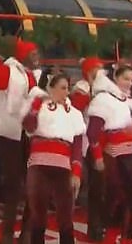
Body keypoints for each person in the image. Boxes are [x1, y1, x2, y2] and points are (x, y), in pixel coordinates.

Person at [0, 39, 40, 244]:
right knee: (15, 185)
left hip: (23, 132)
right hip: (5, 132)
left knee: (33, 183)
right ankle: (7, 236)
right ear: (23, 56)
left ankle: (26, 233)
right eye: (33, 54)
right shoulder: (9, 71)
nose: (37, 57)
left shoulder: (31, 76)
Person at [21, 73, 86, 244]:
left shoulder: (74, 114)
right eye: (62, 88)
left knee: (65, 217)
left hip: (63, 167)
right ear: (51, 88)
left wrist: (77, 173)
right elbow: (28, 126)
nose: (65, 92)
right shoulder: (40, 106)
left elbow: (78, 146)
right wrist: (34, 107)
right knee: (38, 215)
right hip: (38, 166)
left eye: (67, 88)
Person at [87, 64, 132, 244]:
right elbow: (93, 132)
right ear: (115, 78)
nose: (129, 83)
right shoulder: (104, 99)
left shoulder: (126, 100)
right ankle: (104, 230)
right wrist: (97, 157)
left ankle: (117, 231)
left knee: (120, 197)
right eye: (125, 78)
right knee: (112, 195)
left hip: (126, 154)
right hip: (112, 156)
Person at [71, 57, 106, 242]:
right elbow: (75, 112)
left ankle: (96, 226)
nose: (99, 72)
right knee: (75, 181)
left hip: (99, 141)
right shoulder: (81, 88)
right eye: (96, 68)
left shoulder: (107, 88)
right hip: (81, 138)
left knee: (98, 184)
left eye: (101, 68)